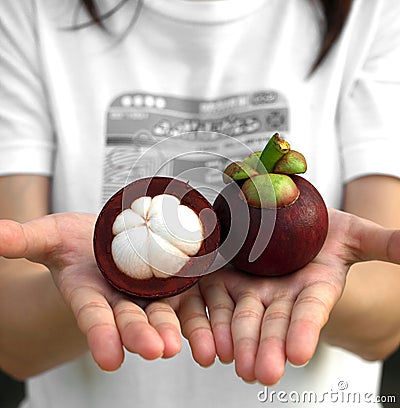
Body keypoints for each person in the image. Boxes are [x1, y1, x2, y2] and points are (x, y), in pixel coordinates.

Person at [0, 1, 399, 407]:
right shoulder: (28, 11)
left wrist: (306, 278)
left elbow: (385, 326)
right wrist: (89, 276)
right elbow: (14, 344)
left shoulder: (371, 11)